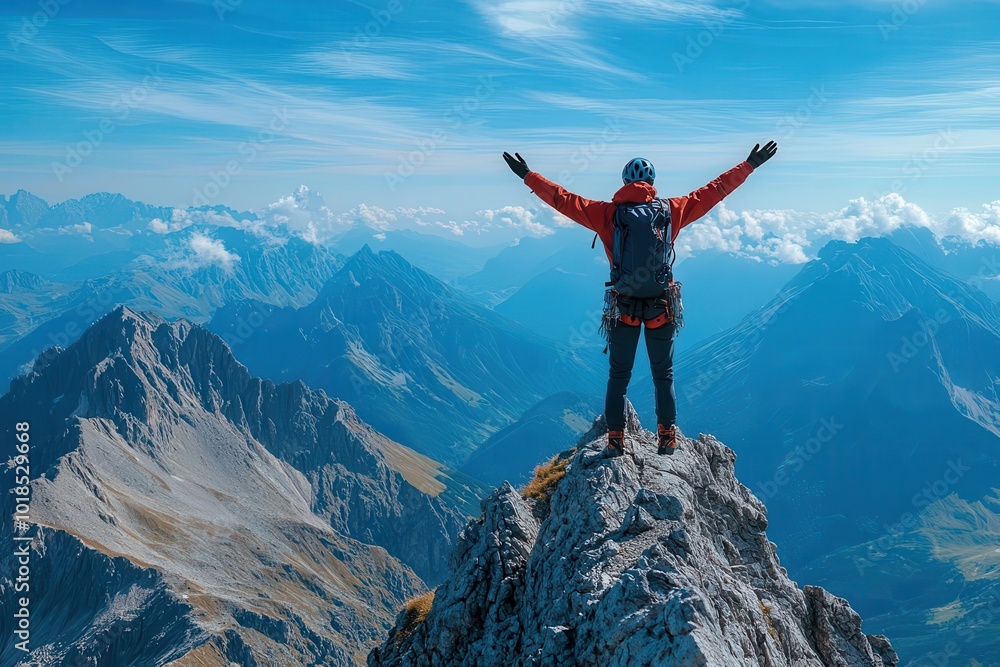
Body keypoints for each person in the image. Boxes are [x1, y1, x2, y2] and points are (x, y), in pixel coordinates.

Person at [502, 142, 777, 457]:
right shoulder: (671, 210)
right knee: (664, 375)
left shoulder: (607, 214)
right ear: (652, 183)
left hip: (623, 308)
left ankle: (616, 439)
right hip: (662, 306)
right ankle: (667, 436)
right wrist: (749, 164)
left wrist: (527, 175)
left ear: (624, 183)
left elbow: (563, 200)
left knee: (619, 375)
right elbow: (714, 191)